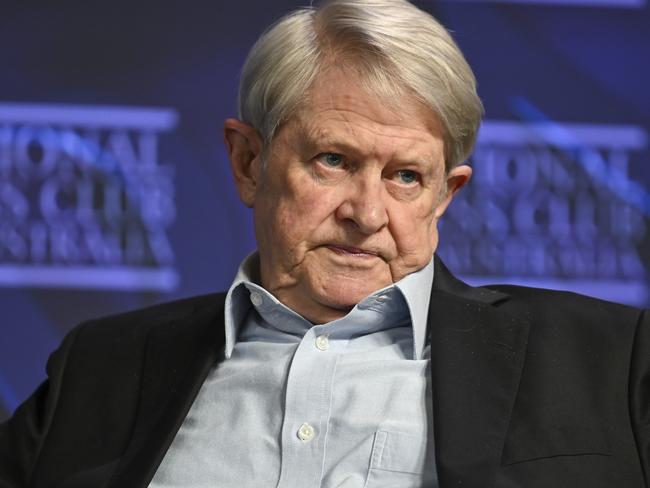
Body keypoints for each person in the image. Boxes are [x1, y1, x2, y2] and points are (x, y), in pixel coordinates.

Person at [1, 0, 648, 486]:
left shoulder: (611, 365)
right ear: (248, 162)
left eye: (406, 177)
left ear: (445, 196)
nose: (367, 213)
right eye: (333, 160)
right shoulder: (100, 370)